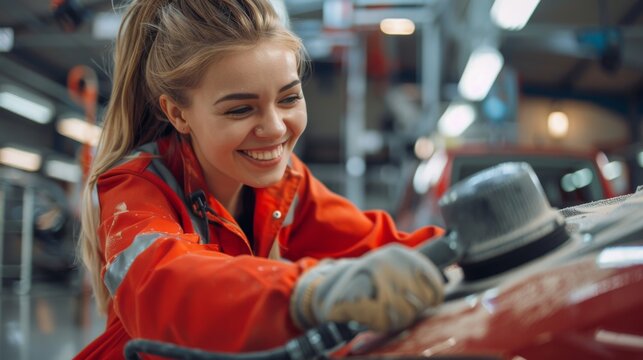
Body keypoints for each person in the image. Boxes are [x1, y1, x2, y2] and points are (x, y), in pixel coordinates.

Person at [75, 0, 445, 358]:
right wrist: (309, 291)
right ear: (177, 113)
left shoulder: (286, 185)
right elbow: (165, 286)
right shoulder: (136, 188)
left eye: (288, 99)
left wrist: (471, 248)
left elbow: (378, 245)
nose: (274, 128)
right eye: (240, 109)